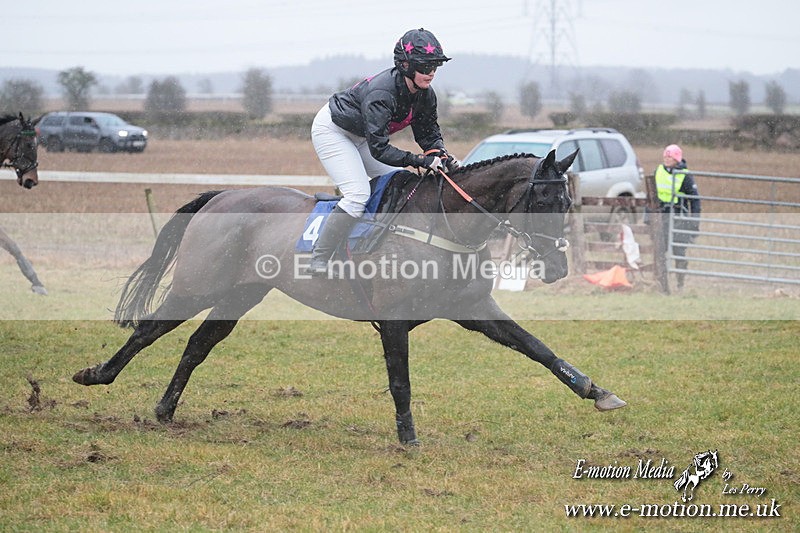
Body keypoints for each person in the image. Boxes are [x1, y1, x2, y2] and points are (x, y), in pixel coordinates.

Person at [307, 28, 459, 276]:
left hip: (364, 136)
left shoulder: (426, 95)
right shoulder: (382, 93)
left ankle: (377, 245)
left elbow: (428, 132)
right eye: (426, 66)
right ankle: (319, 258)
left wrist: (440, 153)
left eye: (435, 66)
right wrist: (419, 160)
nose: (431, 72)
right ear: (406, 65)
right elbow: (379, 149)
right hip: (334, 132)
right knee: (357, 195)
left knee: (400, 181)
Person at [651, 144, 701, 289]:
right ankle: (661, 284)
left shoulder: (685, 175)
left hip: (680, 218)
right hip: (662, 216)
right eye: (665, 156)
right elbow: (651, 195)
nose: (667, 159)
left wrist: (694, 222)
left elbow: (695, 200)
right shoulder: (657, 172)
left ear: (677, 159)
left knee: (679, 251)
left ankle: (680, 283)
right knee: (660, 251)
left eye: (670, 156)